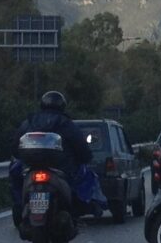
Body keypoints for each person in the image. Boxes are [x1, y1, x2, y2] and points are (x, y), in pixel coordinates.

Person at [11, 90, 105, 218]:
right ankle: (89, 205)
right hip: (62, 167)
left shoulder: (29, 121)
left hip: (30, 166)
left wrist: (20, 158)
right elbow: (80, 146)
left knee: (15, 175)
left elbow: (15, 145)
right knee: (86, 176)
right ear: (62, 106)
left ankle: (18, 206)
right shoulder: (66, 123)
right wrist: (85, 158)